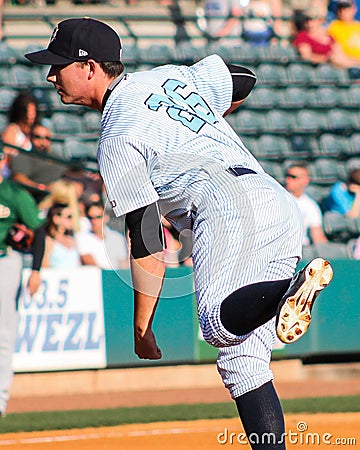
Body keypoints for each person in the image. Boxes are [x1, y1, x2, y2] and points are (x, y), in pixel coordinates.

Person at [25, 18, 334, 449]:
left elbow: (147, 234)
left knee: (216, 325)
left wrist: (141, 325)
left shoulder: (117, 133)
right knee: (243, 361)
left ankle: (287, 290)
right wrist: (200, 121)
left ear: (90, 67)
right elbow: (242, 78)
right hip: (273, 199)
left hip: (223, 204)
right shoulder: (169, 76)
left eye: (59, 65)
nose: (50, 75)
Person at [0, 146, 45, 417]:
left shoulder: (13, 193)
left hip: (5, 261)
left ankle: (0, 399)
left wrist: (36, 270)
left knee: (4, 334)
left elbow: (38, 229)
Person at [10, 123, 66, 203]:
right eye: (38, 137)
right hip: (34, 198)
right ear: (30, 138)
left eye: (47, 138)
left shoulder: (57, 158)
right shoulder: (23, 156)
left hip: (58, 197)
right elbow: (19, 178)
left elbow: (70, 175)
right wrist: (40, 187)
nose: (43, 141)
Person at [292, 8, 360, 68]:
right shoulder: (303, 36)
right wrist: (326, 59)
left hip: (338, 65)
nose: (310, 23)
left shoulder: (329, 36)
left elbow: (339, 51)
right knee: (336, 59)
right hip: (320, 67)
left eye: (313, 20)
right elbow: (306, 56)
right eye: (307, 20)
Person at [75, 201, 129, 270]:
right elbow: (89, 262)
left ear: (106, 217)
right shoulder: (82, 237)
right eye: (90, 217)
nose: (94, 221)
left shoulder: (117, 238)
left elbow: (123, 263)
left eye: (98, 217)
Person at [285, 163, 328, 246]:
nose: (288, 179)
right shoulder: (278, 199)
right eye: (287, 176)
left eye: (293, 177)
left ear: (305, 180)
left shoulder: (310, 205)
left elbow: (317, 236)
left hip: (301, 250)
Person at [1, 92, 39, 179]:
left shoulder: (35, 131)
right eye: (28, 111)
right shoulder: (12, 129)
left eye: (33, 111)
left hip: (31, 171)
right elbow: (7, 154)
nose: (31, 116)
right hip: (13, 172)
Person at [42, 202, 81, 269]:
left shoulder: (71, 239)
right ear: (56, 219)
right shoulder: (49, 241)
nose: (71, 220)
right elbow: (44, 266)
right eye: (69, 217)